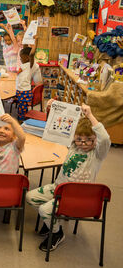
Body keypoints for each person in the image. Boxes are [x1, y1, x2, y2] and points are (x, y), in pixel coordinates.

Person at [26, 104, 110, 252]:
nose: (83, 144)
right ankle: (52, 222)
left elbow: (105, 138)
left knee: (45, 210)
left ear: (95, 139)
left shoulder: (97, 154)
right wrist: (54, 108)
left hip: (77, 196)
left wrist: (90, 115)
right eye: (79, 139)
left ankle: (57, 233)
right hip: (58, 188)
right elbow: (61, 127)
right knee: (30, 197)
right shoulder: (73, 146)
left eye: (89, 140)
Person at [15, 47, 35, 121]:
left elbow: (32, 54)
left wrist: (35, 41)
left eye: (21, 58)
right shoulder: (23, 65)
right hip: (20, 89)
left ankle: (22, 121)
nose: (20, 59)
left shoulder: (30, 65)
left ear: (27, 58)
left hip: (24, 91)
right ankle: (22, 119)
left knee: (22, 108)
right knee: (21, 107)